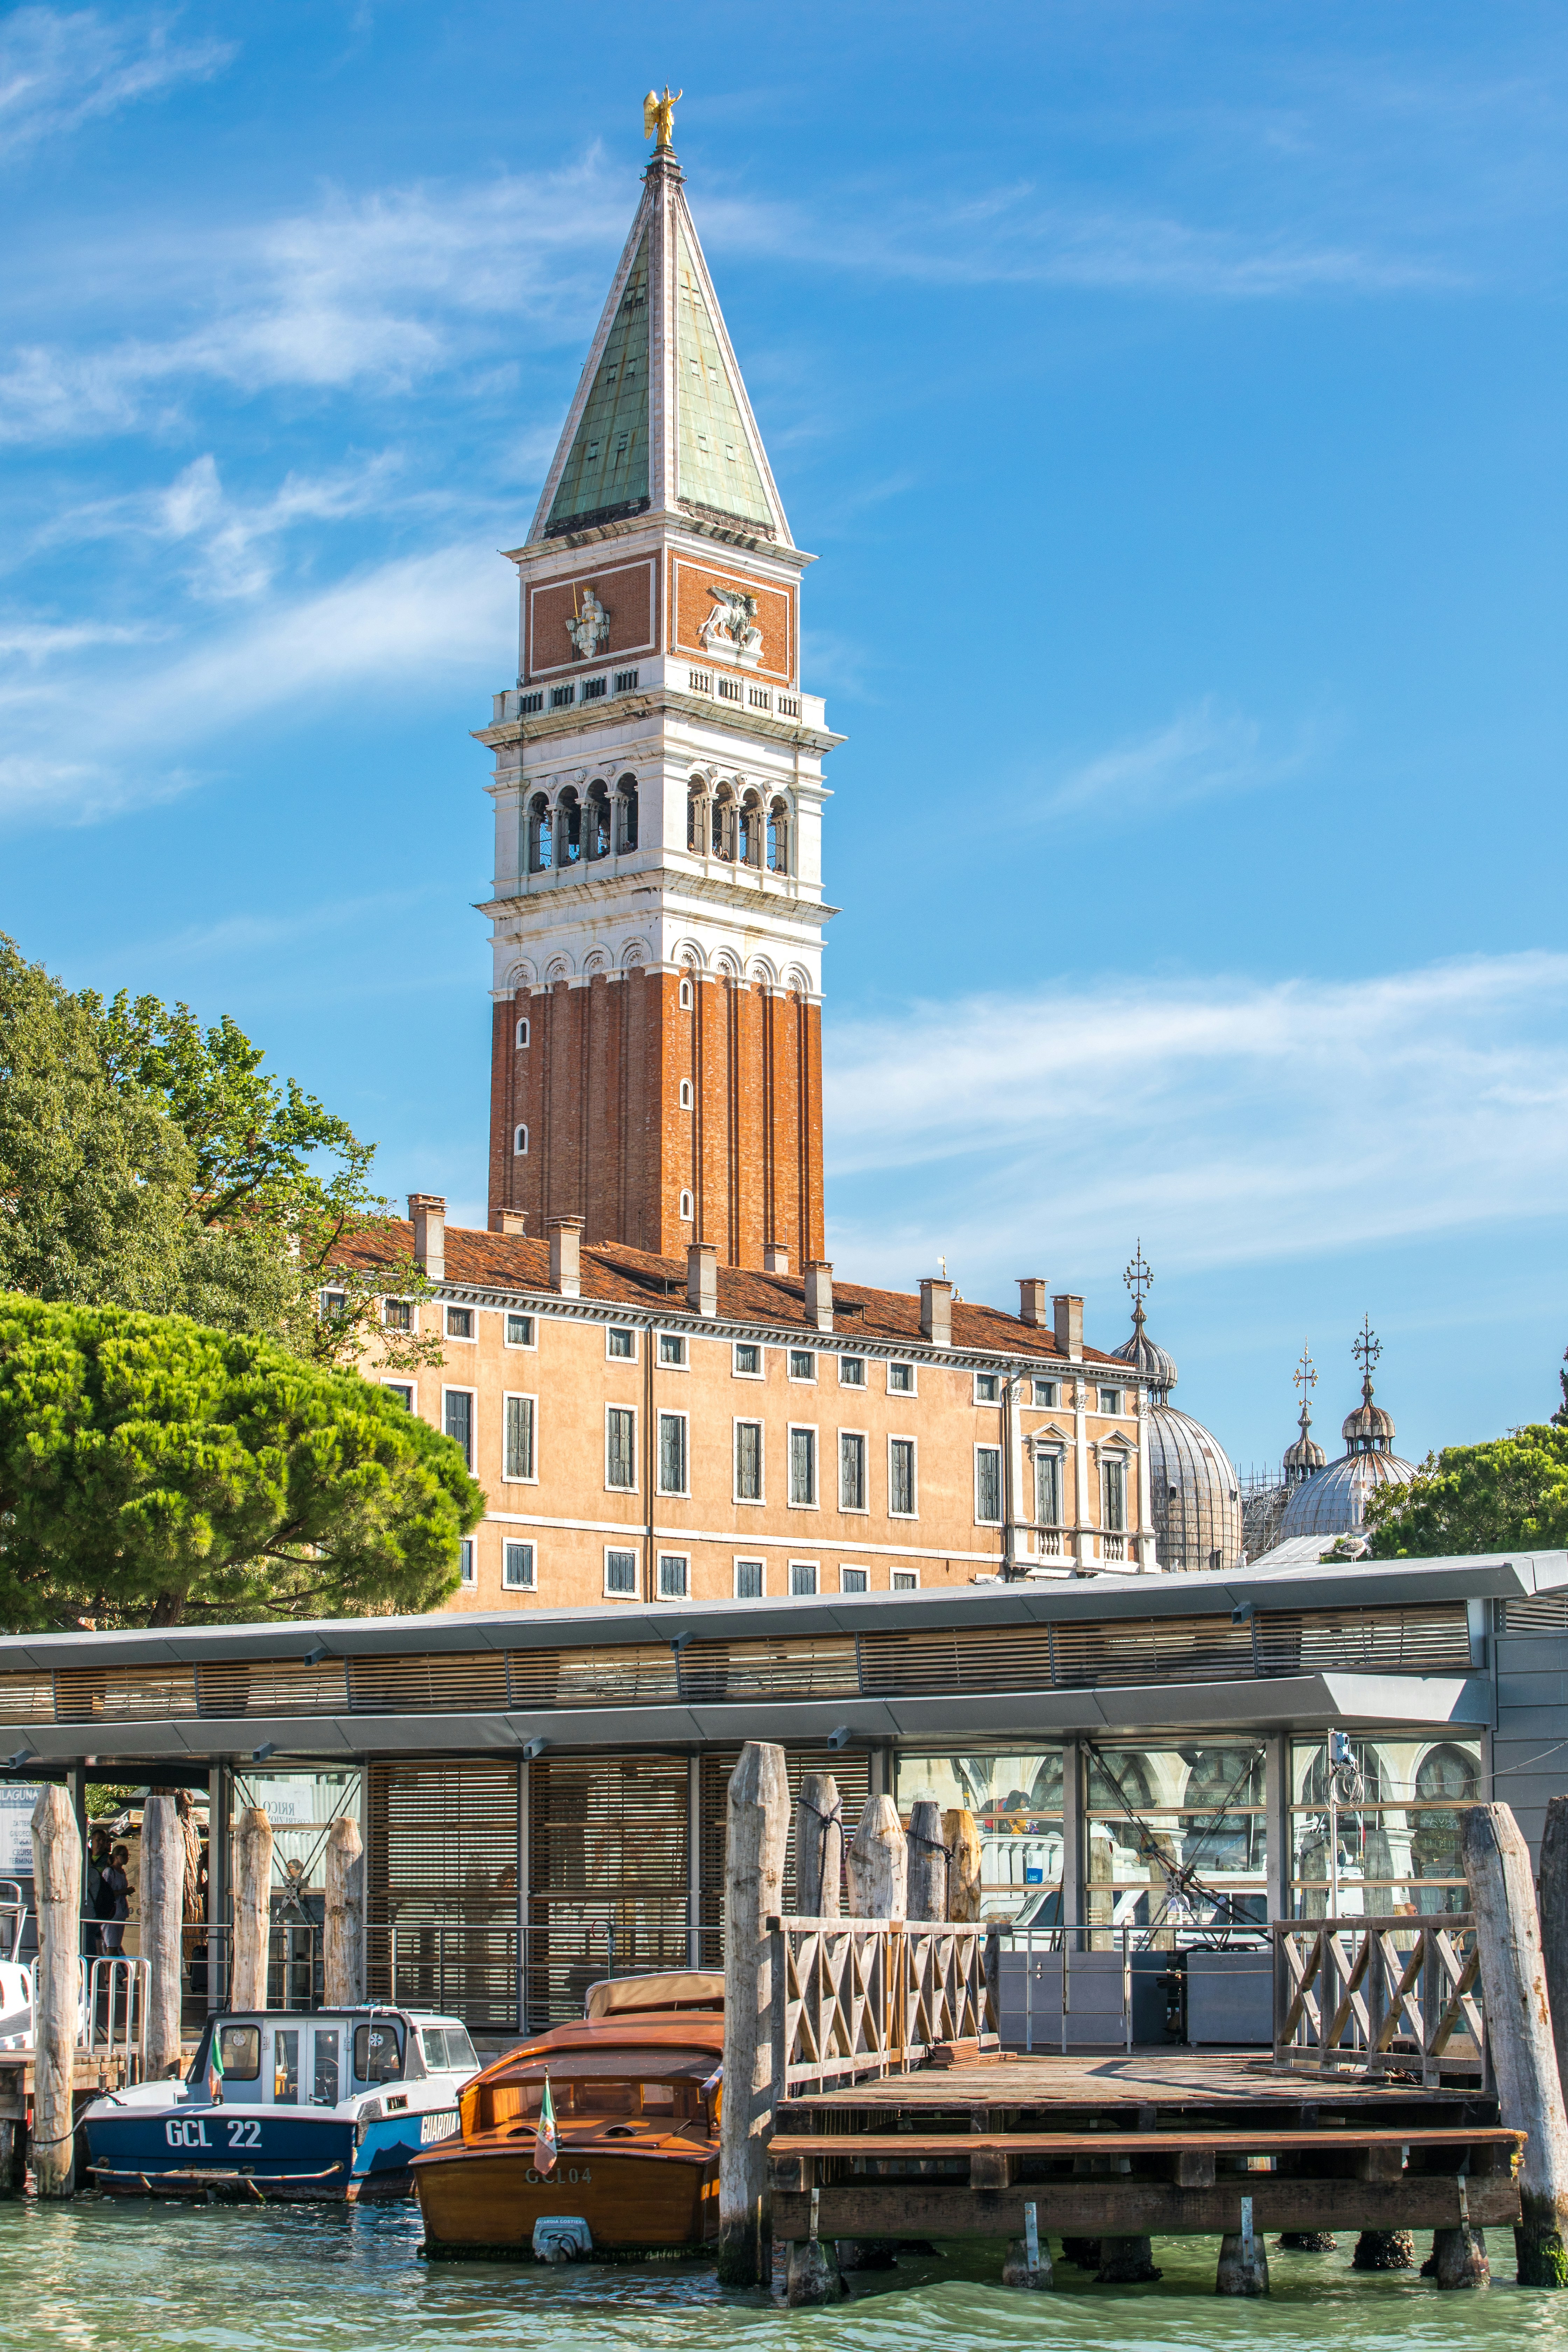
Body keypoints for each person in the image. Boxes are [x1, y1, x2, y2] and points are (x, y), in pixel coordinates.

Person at [100, 1844, 131, 1956]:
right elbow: (107, 1893)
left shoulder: (122, 1872)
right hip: (112, 1913)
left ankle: (113, 1972)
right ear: (116, 1857)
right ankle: (108, 1973)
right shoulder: (110, 1872)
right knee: (111, 1946)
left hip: (121, 1912)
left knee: (116, 1946)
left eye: (128, 1855)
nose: (126, 1858)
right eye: (123, 1855)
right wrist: (124, 1891)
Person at [84, 1828, 111, 1957]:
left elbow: (84, 1887)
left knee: (90, 1948)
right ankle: (98, 1975)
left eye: (104, 1841)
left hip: (90, 1914)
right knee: (95, 1945)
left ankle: (92, 1974)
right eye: (98, 1840)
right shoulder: (91, 1870)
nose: (101, 1843)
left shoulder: (92, 1871)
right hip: (89, 1914)